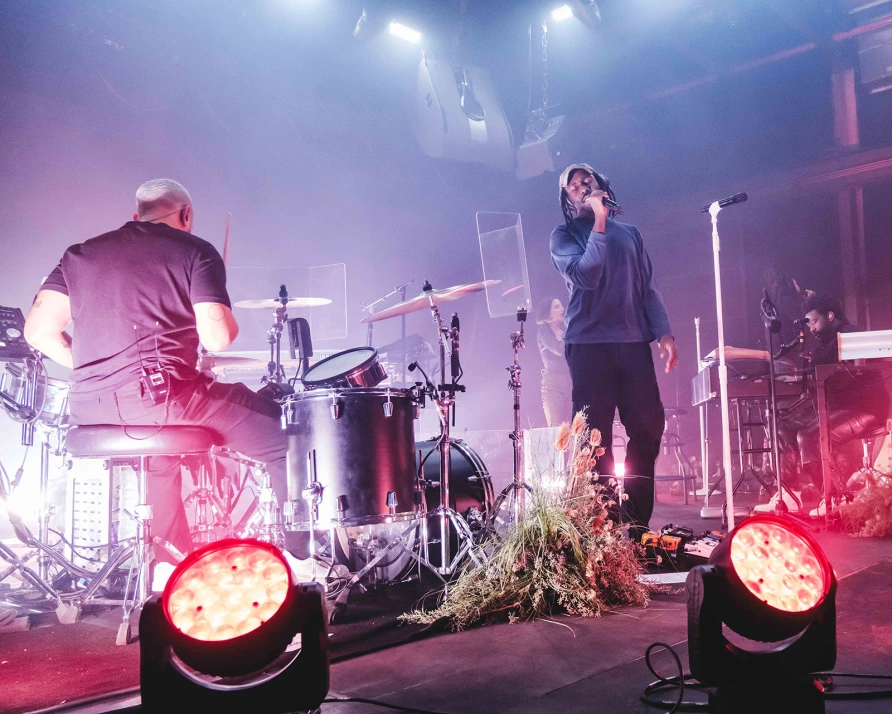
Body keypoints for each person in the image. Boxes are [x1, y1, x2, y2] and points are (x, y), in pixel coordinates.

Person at [24, 179, 288, 561]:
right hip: (166, 402)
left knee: (161, 462)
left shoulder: (79, 254)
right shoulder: (196, 251)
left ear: (137, 216)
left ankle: (169, 565)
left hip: (87, 407)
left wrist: (101, 371)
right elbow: (217, 341)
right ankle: (302, 559)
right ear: (187, 215)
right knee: (288, 438)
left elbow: (38, 332)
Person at [549, 163, 678, 534]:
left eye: (585, 179)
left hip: (633, 341)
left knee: (648, 429)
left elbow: (647, 288)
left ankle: (636, 523)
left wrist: (664, 332)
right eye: (572, 186)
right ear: (569, 201)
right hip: (589, 346)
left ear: (601, 183)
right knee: (594, 438)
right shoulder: (564, 235)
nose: (580, 185)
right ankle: (601, 524)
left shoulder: (631, 233)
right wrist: (601, 222)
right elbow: (586, 275)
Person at [772, 293, 888, 515]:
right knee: (783, 424)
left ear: (830, 316)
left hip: (865, 409)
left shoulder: (851, 335)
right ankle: (790, 492)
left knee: (811, 436)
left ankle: (835, 498)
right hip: (837, 407)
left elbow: (843, 376)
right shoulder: (824, 344)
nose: (811, 328)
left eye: (814, 321)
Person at [535, 297, 572, 428]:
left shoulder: (566, 332)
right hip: (553, 384)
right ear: (548, 313)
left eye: (561, 306)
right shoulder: (543, 330)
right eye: (557, 307)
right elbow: (558, 350)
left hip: (570, 382)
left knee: (573, 428)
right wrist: (565, 336)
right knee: (557, 429)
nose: (562, 309)